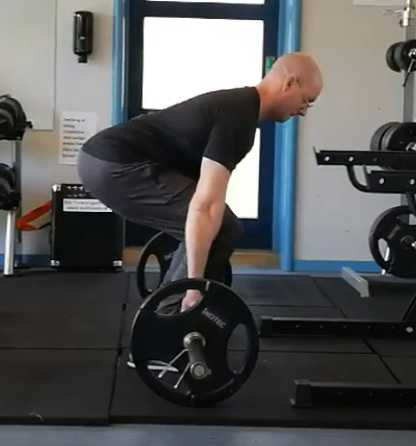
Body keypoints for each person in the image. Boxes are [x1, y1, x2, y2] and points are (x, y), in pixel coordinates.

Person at [77, 52, 323, 311]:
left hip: (104, 160)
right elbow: (205, 206)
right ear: (289, 83)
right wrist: (193, 286)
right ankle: (172, 319)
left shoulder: (240, 108)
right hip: (115, 165)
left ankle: (177, 303)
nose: (305, 111)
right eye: (307, 100)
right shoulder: (238, 117)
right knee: (221, 228)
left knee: (211, 228)